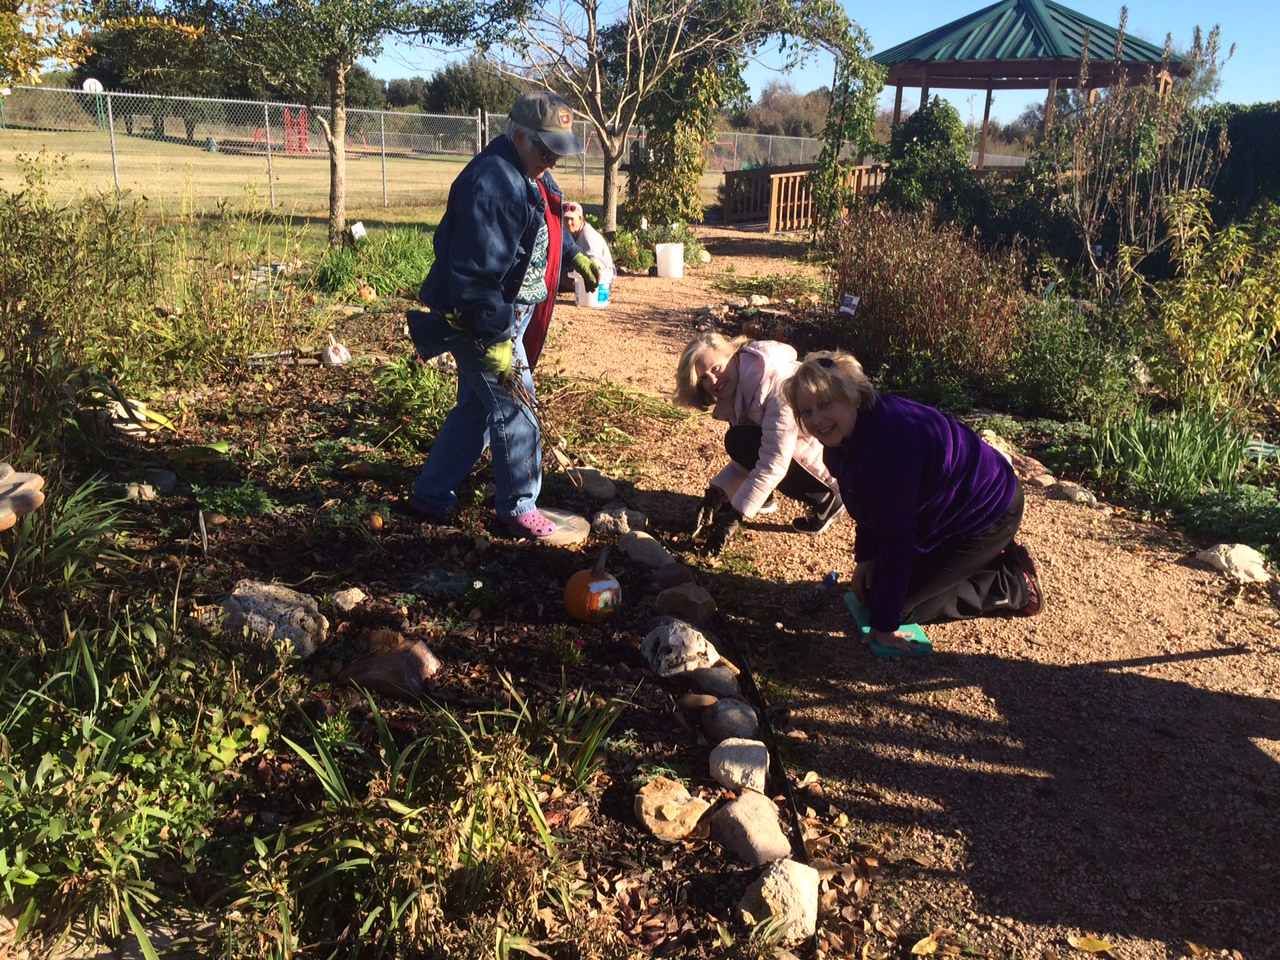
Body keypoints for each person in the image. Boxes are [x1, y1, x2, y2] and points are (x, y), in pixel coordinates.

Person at [404, 91, 602, 539]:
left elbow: (544, 226)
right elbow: (474, 275)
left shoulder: (533, 175)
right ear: (517, 135)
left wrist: (573, 256)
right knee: (518, 408)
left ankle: (430, 495)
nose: (551, 160)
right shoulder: (493, 183)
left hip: (512, 312)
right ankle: (518, 505)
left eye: (558, 152)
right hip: (482, 317)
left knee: (475, 411)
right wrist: (494, 336)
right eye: (545, 149)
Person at [782, 351, 1044, 653]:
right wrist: (867, 556)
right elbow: (866, 505)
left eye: (825, 405)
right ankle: (975, 559)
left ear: (854, 396)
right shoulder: (841, 442)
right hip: (943, 509)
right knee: (873, 588)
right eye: (807, 411)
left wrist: (885, 626)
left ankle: (1012, 585)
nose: (816, 420)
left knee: (894, 607)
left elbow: (897, 543)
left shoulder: (890, 448)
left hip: (988, 513)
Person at [674, 332, 843, 554]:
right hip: (791, 455)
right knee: (739, 440)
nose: (713, 381)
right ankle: (762, 498)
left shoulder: (778, 387)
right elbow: (752, 452)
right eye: (704, 378)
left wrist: (735, 517)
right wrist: (715, 494)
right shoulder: (741, 390)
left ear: (732, 355)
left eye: (715, 368)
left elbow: (773, 462)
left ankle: (826, 499)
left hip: (830, 470)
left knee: (740, 441)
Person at [563, 201, 614, 280]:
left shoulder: (588, 237)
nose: (569, 223)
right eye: (566, 219)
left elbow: (596, 265)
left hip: (603, 279)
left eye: (572, 219)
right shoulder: (574, 233)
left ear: (581, 219)